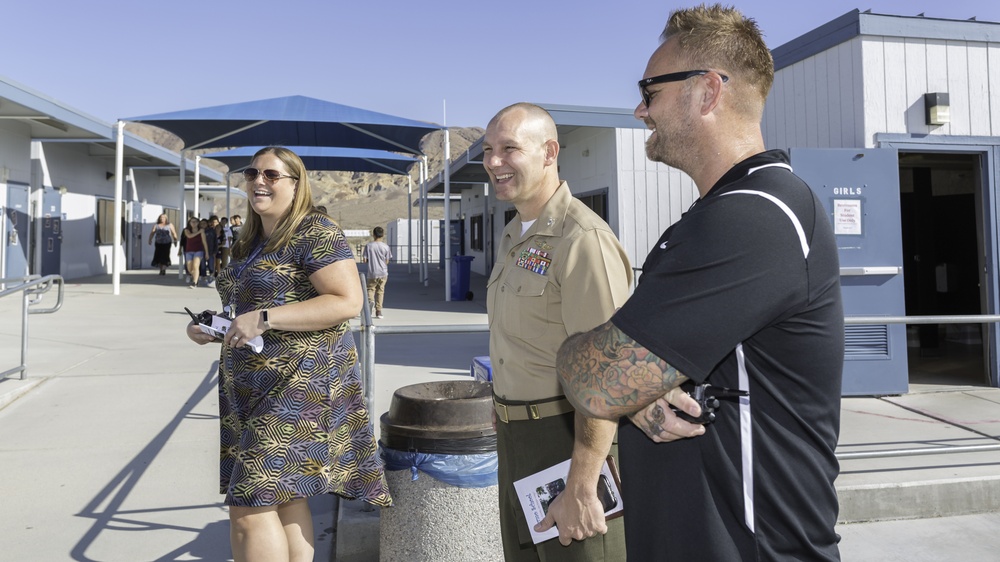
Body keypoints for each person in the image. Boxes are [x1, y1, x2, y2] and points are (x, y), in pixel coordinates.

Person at [556, 5, 844, 561]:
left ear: (708, 91)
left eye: (650, 89)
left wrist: (609, 375)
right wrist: (635, 386)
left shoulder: (755, 217)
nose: (640, 110)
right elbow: (622, 373)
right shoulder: (723, 215)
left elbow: (594, 381)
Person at [185, 146, 391, 562]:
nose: (258, 181)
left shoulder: (315, 231)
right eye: (252, 173)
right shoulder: (251, 242)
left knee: (249, 506)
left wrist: (263, 318)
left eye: (272, 175)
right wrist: (213, 324)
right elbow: (247, 304)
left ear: (296, 185)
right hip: (253, 389)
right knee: (285, 497)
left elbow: (347, 301)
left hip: (300, 388)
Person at [483, 103, 632, 561]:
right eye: (488, 151)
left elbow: (608, 374)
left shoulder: (581, 239)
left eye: (509, 149)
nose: (493, 162)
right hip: (516, 438)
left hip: (571, 438)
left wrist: (583, 483)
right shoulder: (513, 236)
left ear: (549, 152)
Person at [362, 226, 392, 319]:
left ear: (373, 235)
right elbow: (387, 260)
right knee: (380, 291)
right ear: (382, 235)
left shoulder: (369, 246)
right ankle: (378, 311)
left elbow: (364, 260)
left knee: (370, 289)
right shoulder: (385, 247)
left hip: (372, 272)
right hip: (383, 272)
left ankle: (371, 301)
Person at [182, 216, 208, 289]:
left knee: (196, 266)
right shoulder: (187, 230)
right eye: (192, 222)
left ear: (198, 223)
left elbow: (204, 242)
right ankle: (195, 277)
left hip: (198, 250)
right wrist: (199, 232)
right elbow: (189, 236)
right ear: (189, 223)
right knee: (190, 269)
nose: (194, 223)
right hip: (189, 251)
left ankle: (195, 283)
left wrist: (206, 252)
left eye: (195, 222)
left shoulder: (201, 231)